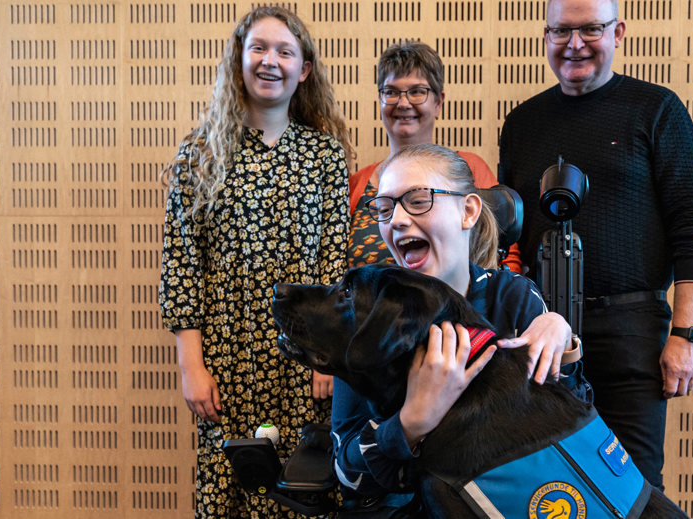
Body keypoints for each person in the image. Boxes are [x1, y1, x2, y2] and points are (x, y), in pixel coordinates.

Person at [498, 0, 693, 491]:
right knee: (547, 486)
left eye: (590, 30)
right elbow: (509, 237)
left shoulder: (656, 110)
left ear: (618, 31)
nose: (574, 44)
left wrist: (688, 335)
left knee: (635, 487)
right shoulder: (522, 123)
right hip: (542, 331)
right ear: (546, 35)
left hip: (630, 331)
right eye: (561, 32)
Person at [158, 6, 350, 517]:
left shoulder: (325, 157)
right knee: (231, 488)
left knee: (301, 491)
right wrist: (191, 366)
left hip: (304, 362)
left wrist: (330, 359)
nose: (271, 61)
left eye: (286, 51)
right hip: (226, 361)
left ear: (303, 69)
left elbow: (335, 262)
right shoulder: (198, 156)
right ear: (237, 62)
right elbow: (181, 267)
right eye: (259, 49)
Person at [332, 144, 586, 513]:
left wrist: (563, 341)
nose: (397, 220)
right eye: (385, 209)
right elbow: (346, 471)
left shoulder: (511, 298)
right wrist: (410, 423)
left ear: (468, 211)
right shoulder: (366, 318)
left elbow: (568, 425)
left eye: (417, 200)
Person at [347, 41, 521, 271]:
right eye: (391, 92)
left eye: (417, 92)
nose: (403, 103)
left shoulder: (470, 169)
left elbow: (506, 256)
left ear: (439, 102)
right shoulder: (357, 184)